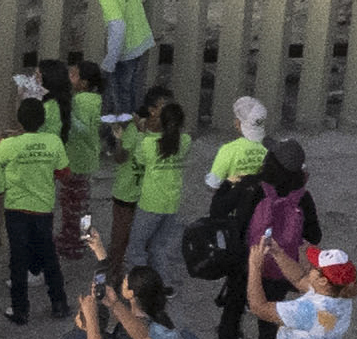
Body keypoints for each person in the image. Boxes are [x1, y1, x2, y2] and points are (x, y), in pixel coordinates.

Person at [215, 136, 322, 339]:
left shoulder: (253, 188)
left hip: (247, 264)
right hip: (280, 270)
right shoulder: (302, 197)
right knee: (268, 326)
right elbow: (314, 235)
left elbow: (226, 216)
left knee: (232, 312)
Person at [0, 97, 69, 327]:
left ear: (19, 121)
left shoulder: (9, 145)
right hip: (43, 207)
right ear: (43, 120)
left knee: (18, 260)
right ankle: (59, 302)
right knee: (49, 256)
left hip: (16, 207)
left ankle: (20, 310)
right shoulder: (53, 141)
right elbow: (64, 172)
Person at [78, 0, 154, 119]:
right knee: (133, 89)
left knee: (122, 96)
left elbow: (117, 27)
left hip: (125, 50)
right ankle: (136, 129)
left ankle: (123, 136)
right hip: (142, 40)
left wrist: (110, 60)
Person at [123, 100, 190, 287]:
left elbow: (139, 159)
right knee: (158, 246)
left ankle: (140, 287)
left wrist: (141, 130)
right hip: (172, 204)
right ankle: (164, 284)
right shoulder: (185, 141)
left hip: (150, 204)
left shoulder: (148, 143)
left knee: (136, 249)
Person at [104, 86, 167, 270]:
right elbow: (120, 157)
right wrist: (119, 140)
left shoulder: (166, 135)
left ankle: (140, 278)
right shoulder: (134, 129)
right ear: (152, 110)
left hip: (149, 198)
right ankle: (114, 274)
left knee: (146, 240)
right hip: (126, 194)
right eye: (164, 108)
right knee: (120, 238)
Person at [58, 60, 105, 259]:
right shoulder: (95, 99)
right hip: (86, 158)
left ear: (84, 82)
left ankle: (76, 242)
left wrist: (68, 114)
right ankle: (80, 239)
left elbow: (83, 129)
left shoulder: (80, 101)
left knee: (73, 205)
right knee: (80, 204)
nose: (70, 78)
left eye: (74, 75)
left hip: (77, 160)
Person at [205, 94, 269, 198]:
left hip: (233, 207)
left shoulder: (228, 150)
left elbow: (213, 184)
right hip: (261, 210)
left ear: (237, 123)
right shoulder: (270, 148)